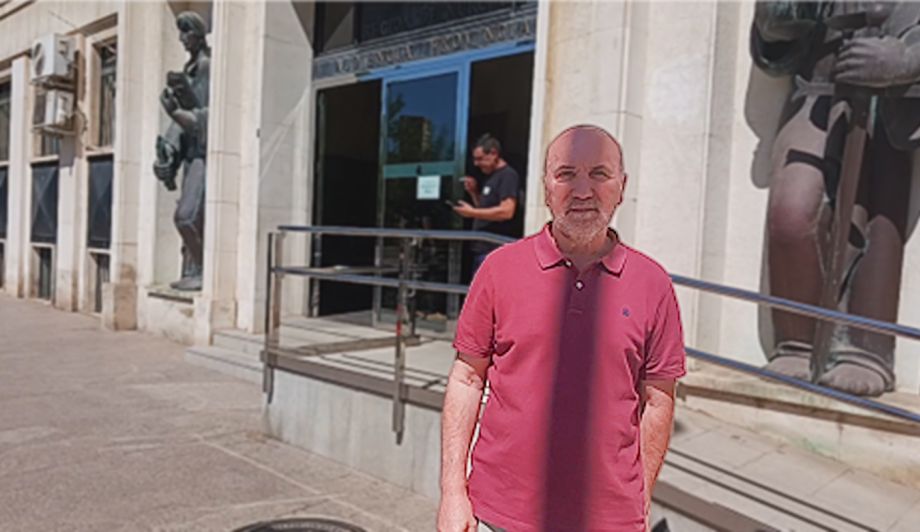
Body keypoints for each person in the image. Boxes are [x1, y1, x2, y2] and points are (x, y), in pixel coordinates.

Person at [438, 125, 686, 531]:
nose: (582, 190)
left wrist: (637, 504)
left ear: (621, 187)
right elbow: (466, 378)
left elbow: (658, 403)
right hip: (498, 514)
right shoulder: (499, 270)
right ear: (547, 188)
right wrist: (452, 492)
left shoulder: (653, 284)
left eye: (600, 174)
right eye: (566, 174)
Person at [751, 1, 920, 395]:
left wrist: (908, 60)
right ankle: (797, 341)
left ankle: (867, 350)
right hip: (817, 90)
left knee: (879, 219)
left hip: (889, 100)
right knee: (792, 211)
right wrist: (782, 17)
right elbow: (773, 42)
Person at [153, 11, 210, 291]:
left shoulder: (207, 67)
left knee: (185, 217)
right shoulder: (189, 70)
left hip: (205, 155)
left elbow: (207, 118)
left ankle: (205, 271)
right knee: (191, 217)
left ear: (198, 35)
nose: (181, 39)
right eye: (180, 32)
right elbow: (181, 123)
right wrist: (169, 151)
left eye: (186, 33)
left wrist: (176, 112)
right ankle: (193, 269)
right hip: (190, 156)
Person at [453, 134, 521, 275]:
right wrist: (474, 192)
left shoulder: (508, 176)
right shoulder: (490, 177)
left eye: (480, 159)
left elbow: (507, 211)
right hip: (482, 248)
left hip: (494, 249)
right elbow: (485, 209)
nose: (476, 164)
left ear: (493, 154)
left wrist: (471, 213)